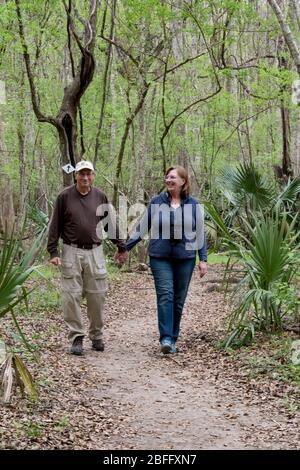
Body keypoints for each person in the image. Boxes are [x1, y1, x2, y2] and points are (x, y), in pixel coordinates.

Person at [47, 160, 128, 356]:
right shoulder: (64, 196)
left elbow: (109, 222)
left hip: (95, 251)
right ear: (75, 175)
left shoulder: (100, 196)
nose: (85, 177)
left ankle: (97, 335)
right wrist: (53, 252)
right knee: (70, 295)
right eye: (81, 174)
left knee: (97, 295)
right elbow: (55, 224)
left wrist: (121, 246)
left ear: (93, 175)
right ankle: (76, 337)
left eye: (88, 174)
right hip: (70, 250)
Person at [126, 165, 207, 354]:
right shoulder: (156, 202)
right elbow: (142, 227)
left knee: (178, 300)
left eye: (173, 177)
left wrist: (203, 259)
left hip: (185, 257)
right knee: (165, 296)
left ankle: (173, 336)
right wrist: (125, 248)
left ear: (183, 181)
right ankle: (166, 338)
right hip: (160, 256)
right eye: (167, 177)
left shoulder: (194, 205)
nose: (168, 180)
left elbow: (200, 233)